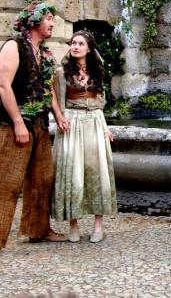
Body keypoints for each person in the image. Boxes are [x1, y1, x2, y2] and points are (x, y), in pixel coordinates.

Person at [0, 1, 67, 249]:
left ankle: (37, 230)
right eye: (48, 18)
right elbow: (3, 86)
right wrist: (18, 123)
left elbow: (47, 88)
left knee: (43, 178)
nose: (52, 23)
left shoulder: (44, 52)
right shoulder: (14, 46)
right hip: (14, 125)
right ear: (34, 21)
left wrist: (58, 115)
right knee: (7, 182)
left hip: (40, 123)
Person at [50, 30, 117, 243]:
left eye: (80, 44)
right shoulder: (62, 72)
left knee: (97, 171)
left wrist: (105, 128)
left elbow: (99, 102)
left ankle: (98, 226)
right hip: (72, 120)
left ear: (89, 49)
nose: (75, 47)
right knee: (73, 172)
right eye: (73, 43)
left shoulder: (97, 70)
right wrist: (60, 117)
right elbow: (55, 97)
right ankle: (73, 226)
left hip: (94, 121)